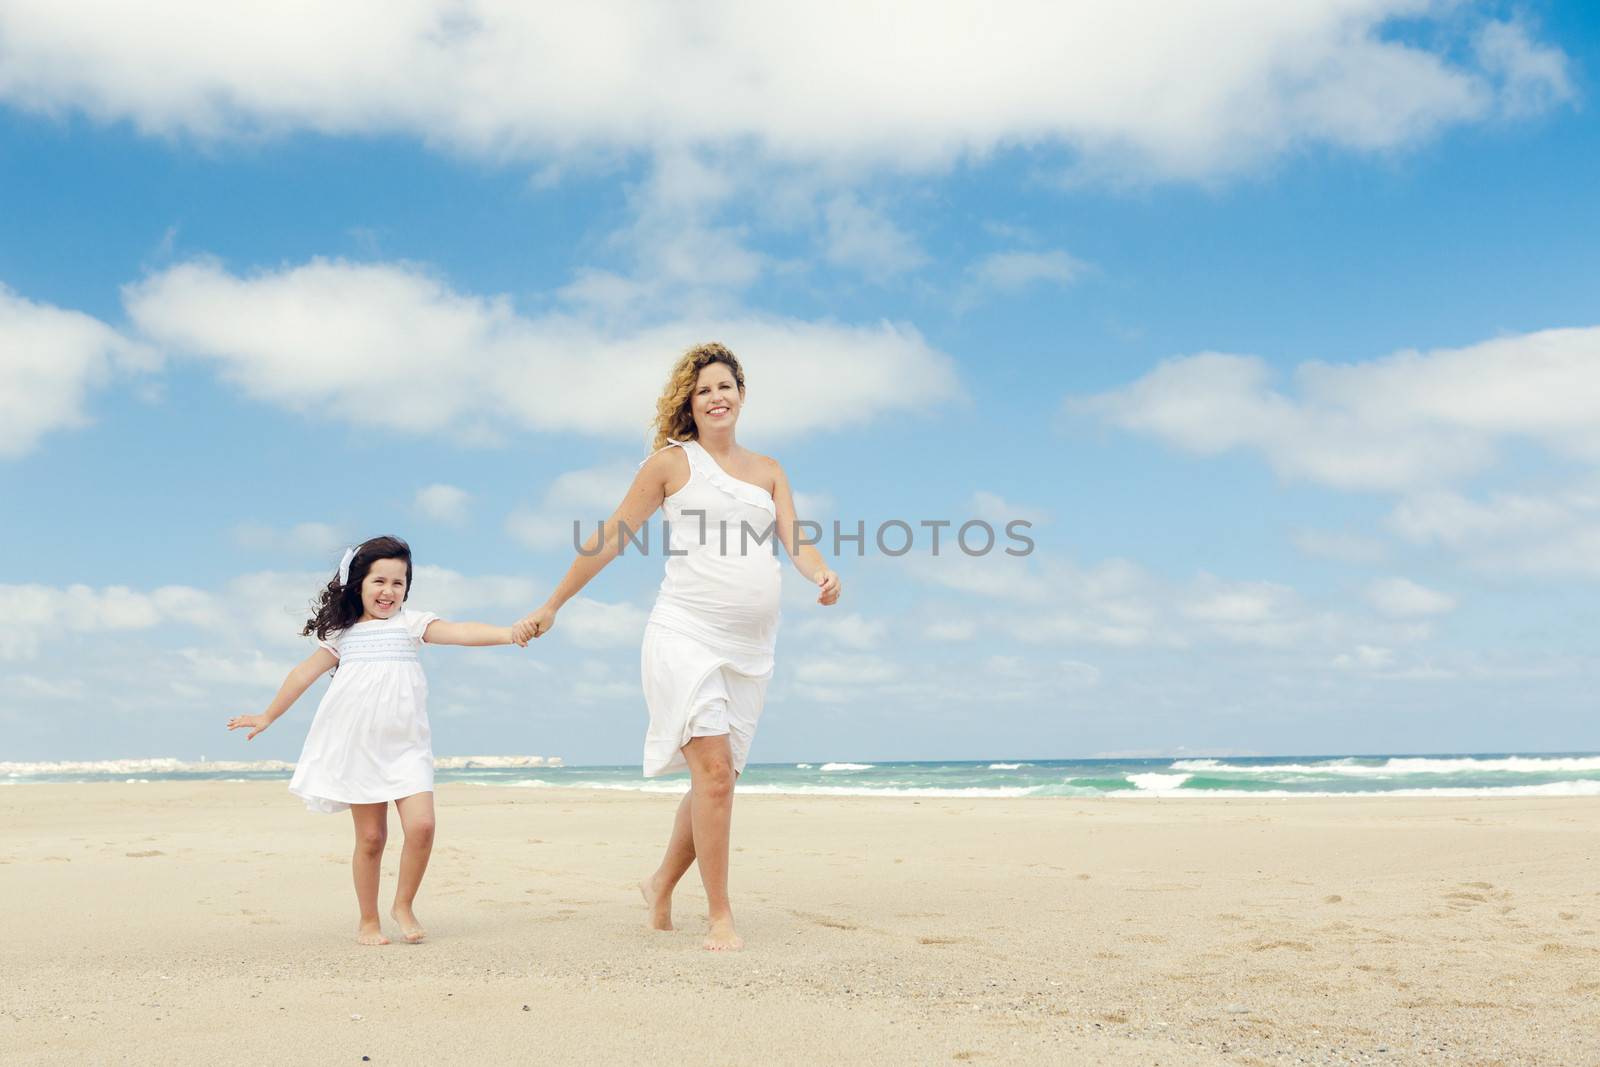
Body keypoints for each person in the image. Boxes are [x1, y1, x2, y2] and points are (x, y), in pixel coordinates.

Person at [514, 343, 841, 950]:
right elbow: (610, 539)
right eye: (703, 390)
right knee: (713, 773)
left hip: (751, 649)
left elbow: (798, 543)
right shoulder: (671, 464)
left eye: (725, 386)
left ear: (742, 393)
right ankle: (720, 914)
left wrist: (821, 575)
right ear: (689, 403)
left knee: (715, 784)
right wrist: (553, 603)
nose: (716, 397)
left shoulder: (769, 470)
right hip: (684, 633)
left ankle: (660, 882)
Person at [227, 535, 521, 946]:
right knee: (371, 839)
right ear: (359, 583)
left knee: (422, 826)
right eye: (379, 581)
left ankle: (403, 904)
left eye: (398, 583)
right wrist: (268, 715)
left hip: (407, 746)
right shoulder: (342, 634)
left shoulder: (412, 624)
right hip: (358, 746)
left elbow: (461, 631)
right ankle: (368, 920)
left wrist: (510, 633)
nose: (388, 591)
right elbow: (302, 675)